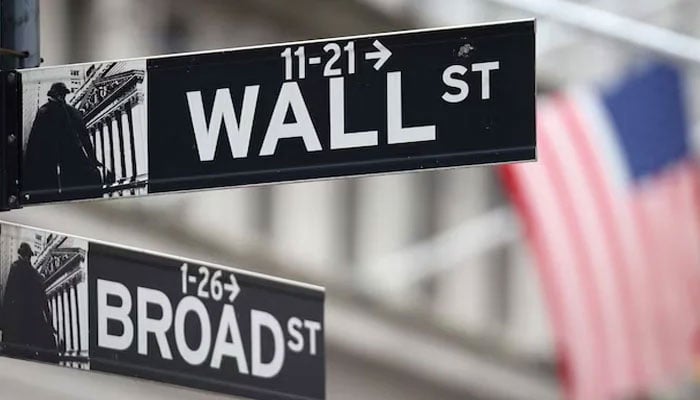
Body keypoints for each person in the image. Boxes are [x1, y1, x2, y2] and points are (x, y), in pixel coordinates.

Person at [23, 82, 104, 202]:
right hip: (63, 164)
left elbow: (34, 143)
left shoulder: (47, 111)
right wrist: (92, 159)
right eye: (60, 94)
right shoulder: (67, 112)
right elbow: (85, 139)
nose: (61, 97)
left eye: (62, 94)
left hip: (60, 164)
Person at [1, 242, 58, 363]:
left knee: (16, 354)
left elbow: (8, 295)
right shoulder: (35, 274)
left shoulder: (15, 268)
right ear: (28, 256)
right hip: (32, 322)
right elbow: (44, 301)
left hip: (17, 322)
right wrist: (48, 321)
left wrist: (4, 320)